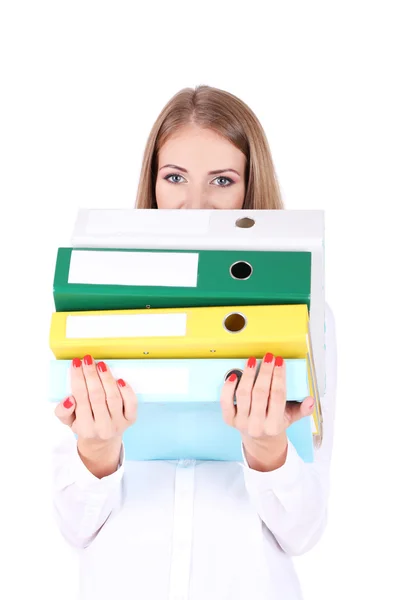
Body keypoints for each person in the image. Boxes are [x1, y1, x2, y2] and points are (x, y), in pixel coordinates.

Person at [52, 85, 337, 600]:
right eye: (175, 177)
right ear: (153, 185)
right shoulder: (94, 307)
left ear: (251, 190)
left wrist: (269, 451)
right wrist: (95, 452)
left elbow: (304, 532)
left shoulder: (306, 315)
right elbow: (75, 530)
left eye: (222, 181)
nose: (194, 205)